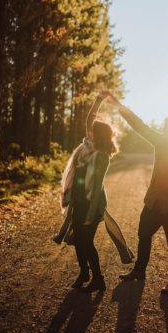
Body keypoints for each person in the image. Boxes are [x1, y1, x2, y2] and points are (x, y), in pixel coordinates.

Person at [107, 93, 168, 294]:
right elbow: (138, 125)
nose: (165, 131)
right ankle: (139, 271)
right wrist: (118, 104)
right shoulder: (161, 140)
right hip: (153, 202)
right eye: (165, 128)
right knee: (143, 234)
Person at [56, 91, 118, 293]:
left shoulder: (101, 156)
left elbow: (97, 187)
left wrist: (91, 216)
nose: (88, 129)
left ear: (97, 135)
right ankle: (84, 272)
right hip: (79, 202)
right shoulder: (86, 148)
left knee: (86, 241)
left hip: (92, 205)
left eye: (92, 129)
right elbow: (90, 116)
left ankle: (98, 279)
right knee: (77, 241)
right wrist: (99, 100)